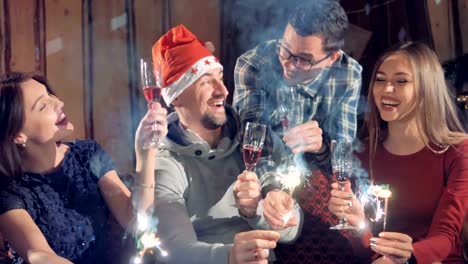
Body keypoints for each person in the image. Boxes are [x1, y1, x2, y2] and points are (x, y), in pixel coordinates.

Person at [151, 24, 302, 264]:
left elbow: (291, 231)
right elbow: (177, 250)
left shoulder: (253, 137)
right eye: (205, 82)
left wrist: (256, 211)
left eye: (220, 78)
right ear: (176, 97)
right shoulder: (164, 163)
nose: (222, 90)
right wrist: (229, 256)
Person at [233, 1, 364, 262]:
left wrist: (322, 146)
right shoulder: (253, 65)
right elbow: (253, 145)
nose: (289, 65)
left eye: (304, 60)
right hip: (264, 182)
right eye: (285, 50)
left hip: (321, 184)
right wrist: (271, 188)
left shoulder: (348, 74)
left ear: (332, 58)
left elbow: (343, 153)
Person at [0, 72, 168, 263]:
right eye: (43, 105)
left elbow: (136, 222)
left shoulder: (87, 155)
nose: (59, 103)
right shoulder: (8, 191)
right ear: (18, 134)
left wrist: (145, 154)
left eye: (49, 94)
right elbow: (38, 254)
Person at [328, 42, 468, 263]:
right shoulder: (361, 154)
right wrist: (356, 224)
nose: (386, 89)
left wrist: (408, 257)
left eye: (401, 81)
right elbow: (365, 249)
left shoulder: (458, 152)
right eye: (380, 80)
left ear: (426, 89)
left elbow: (446, 236)